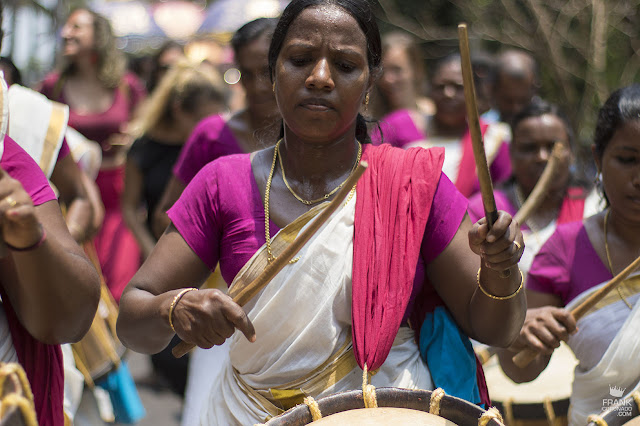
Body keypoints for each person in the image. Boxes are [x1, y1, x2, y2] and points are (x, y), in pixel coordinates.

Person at [118, 0, 526, 424]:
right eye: (299, 60)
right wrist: (175, 306)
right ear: (273, 72)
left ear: (370, 85)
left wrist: (501, 267)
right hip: (247, 414)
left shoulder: (412, 187)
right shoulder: (224, 183)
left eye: (346, 65)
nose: (319, 78)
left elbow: (496, 328)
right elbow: (133, 316)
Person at [497, 85, 640, 425]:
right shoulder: (566, 248)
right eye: (627, 159)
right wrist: (523, 335)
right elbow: (520, 369)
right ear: (597, 158)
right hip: (600, 417)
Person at [39, 8, 146, 300]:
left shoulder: (126, 86)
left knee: (118, 285)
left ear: (98, 35)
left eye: (76, 27)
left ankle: (115, 346)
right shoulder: (52, 85)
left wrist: (133, 136)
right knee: (75, 280)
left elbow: (146, 126)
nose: (65, 33)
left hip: (117, 196)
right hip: (69, 196)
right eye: (65, 27)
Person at [152, 17, 279, 238]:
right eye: (247, 74)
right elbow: (165, 217)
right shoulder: (212, 134)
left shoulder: (311, 135)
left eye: (266, 72)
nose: (257, 86)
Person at [469, 100, 599, 277]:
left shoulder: (595, 205)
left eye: (553, 147)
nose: (542, 157)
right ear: (512, 153)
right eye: (529, 148)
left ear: (571, 152)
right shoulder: (484, 211)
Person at [373, 54, 512, 198]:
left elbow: (506, 197)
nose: (448, 94)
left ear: (474, 93)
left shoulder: (492, 139)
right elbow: (372, 173)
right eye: (441, 86)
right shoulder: (398, 125)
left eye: (458, 87)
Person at [371, 32, 434, 120]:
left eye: (397, 70)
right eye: (382, 71)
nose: (387, 79)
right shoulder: (370, 121)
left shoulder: (434, 116)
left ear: (416, 70)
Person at [482, 49, 539, 125]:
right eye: (508, 101)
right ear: (492, 90)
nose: (516, 109)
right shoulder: (483, 128)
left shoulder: (549, 128)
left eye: (523, 100)